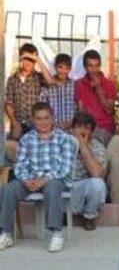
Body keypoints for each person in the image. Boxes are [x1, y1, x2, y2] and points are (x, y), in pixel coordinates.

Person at [0, 102, 75, 253]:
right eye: (39, 118)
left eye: (46, 118)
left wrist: (45, 179)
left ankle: (56, 234)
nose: (43, 122)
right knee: (8, 189)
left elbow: (65, 168)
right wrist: (26, 180)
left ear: (52, 118)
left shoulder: (64, 138)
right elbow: (20, 166)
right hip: (31, 179)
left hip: (54, 179)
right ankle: (6, 233)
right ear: (33, 120)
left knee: (52, 187)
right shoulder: (26, 139)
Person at [4, 43, 46, 159]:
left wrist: (37, 58)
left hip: (35, 125)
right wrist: (14, 122)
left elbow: (50, 81)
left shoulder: (39, 77)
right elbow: (8, 103)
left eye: (30, 60)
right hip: (17, 124)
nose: (27, 62)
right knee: (12, 154)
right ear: (20, 59)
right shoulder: (12, 79)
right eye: (24, 59)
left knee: (35, 156)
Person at [69, 112, 107, 231]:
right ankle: (64, 214)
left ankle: (89, 217)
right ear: (72, 129)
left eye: (87, 128)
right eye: (79, 127)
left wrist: (83, 147)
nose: (82, 131)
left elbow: (97, 174)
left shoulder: (97, 146)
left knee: (98, 184)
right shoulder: (62, 143)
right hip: (65, 188)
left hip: (83, 190)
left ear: (92, 132)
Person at [74, 50, 117, 145]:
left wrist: (98, 89)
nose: (94, 69)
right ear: (85, 67)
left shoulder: (109, 84)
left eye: (97, 65)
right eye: (90, 66)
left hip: (105, 128)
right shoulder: (79, 84)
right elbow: (80, 111)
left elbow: (109, 110)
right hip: (87, 129)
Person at [41, 52, 76, 130]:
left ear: (70, 69)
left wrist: (72, 122)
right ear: (55, 67)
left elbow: (79, 109)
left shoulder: (74, 85)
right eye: (60, 67)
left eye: (66, 68)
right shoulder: (47, 86)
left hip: (71, 129)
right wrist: (52, 123)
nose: (63, 71)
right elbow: (43, 108)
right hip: (51, 129)